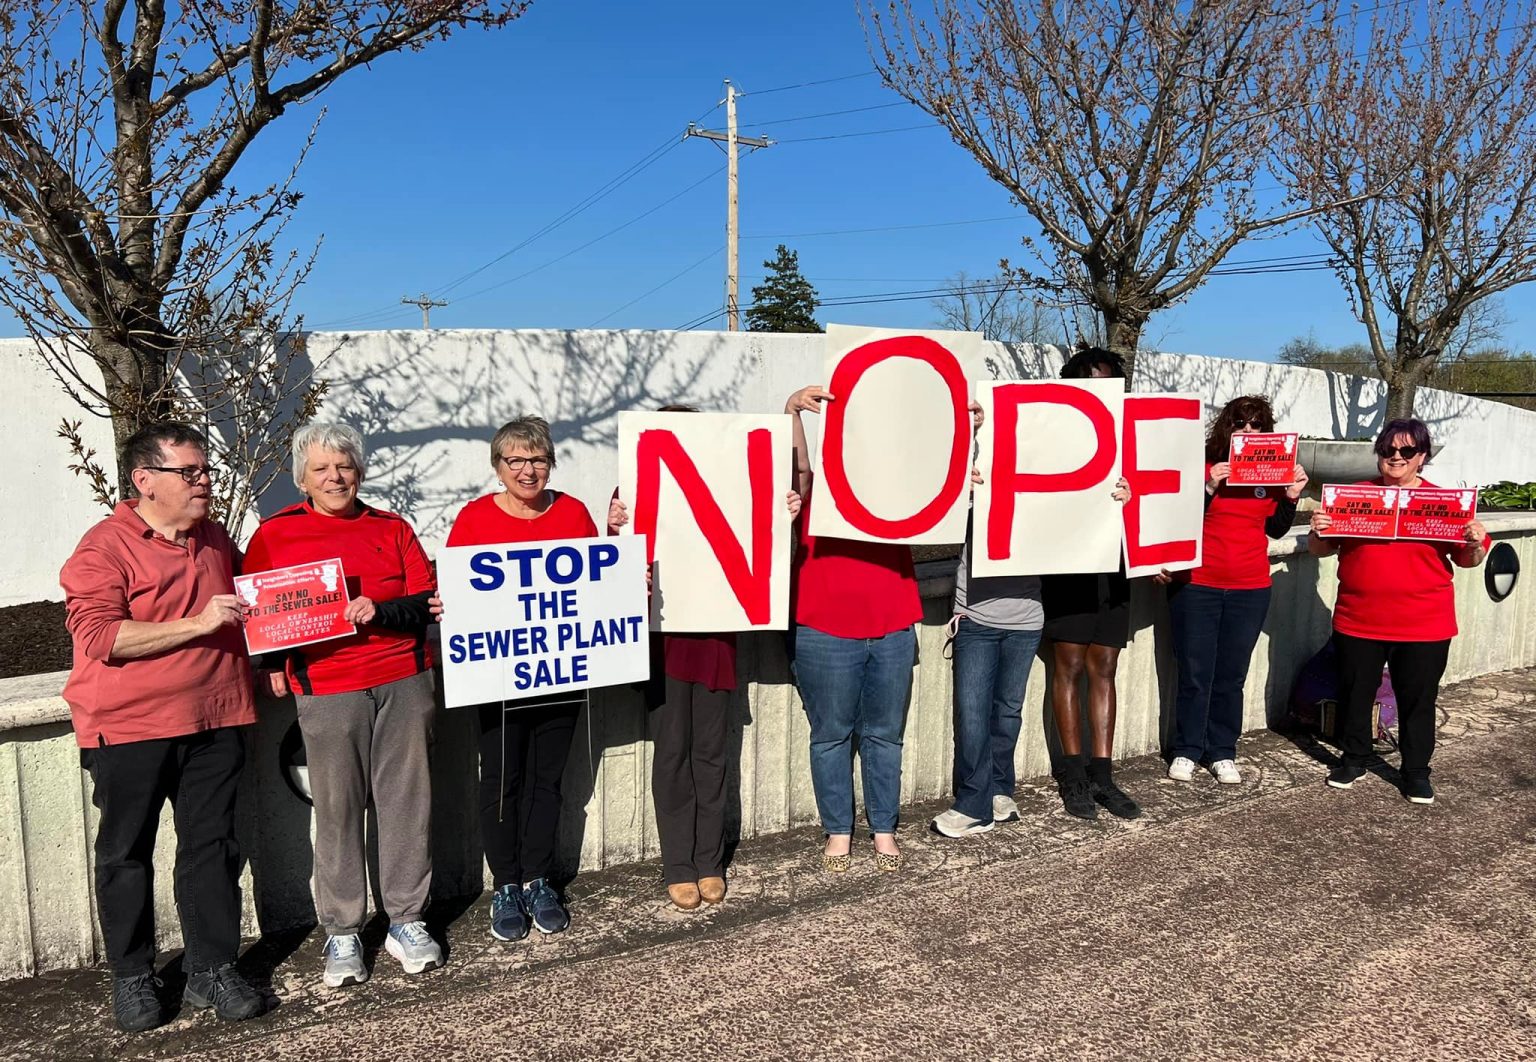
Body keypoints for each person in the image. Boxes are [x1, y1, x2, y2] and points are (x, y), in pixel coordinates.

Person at [59, 423, 267, 1032]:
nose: (206, 482)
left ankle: (212, 969)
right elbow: (100, 636)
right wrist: (198, 624)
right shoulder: (103, 547)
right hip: (129, 728)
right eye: (192, 473)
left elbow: (265, 600)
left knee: (214, 848)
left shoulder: (214, 538)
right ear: (144, 481)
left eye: (206, 471)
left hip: (217, 717)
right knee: (126, 854)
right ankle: (132, 977)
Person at [243, 423, 440, 988]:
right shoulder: (276, 535)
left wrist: (378, 610)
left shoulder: (391, 527)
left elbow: (423, 603)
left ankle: (407, 917)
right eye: (322, 469)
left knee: (408, 803)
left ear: (360, 471)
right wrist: (273, 666)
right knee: (337, 808)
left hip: (402, 678)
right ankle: (344, 929)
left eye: (345, 466)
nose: (336, 477)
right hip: (328, 687)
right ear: (302, 477)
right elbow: (262, 614)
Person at [608, 405, 802, 910]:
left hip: (716, 640)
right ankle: (678, 864)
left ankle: (709, 861)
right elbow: (611, 567)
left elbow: (765, 532)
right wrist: (613, 529)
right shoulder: (633, 483)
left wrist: (784, 510)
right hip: (664, 641)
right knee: (672, 755)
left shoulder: (734, 478)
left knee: (712, 755)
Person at [445, 415, 595, 940]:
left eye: (537, 459)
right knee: (503, 781)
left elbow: (595, 588)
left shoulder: (574, 513)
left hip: (560, 671)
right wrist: (446, 605)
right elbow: (457, 589)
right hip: (497, 676)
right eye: (516, 460)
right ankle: (505, 884)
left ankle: (537, 878)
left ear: (550, 463)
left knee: (547, 783)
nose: (527, 470)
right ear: (498, 466)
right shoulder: (474, 518)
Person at [1308, 417, 1488, 804]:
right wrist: (1318, 530)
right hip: (1359, 618)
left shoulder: (1446, 504)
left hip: (1425, 623)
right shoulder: (1352, 496)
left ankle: (1416, 772)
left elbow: (1468, 560)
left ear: (1421, 457)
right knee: (1355, 693)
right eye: (1388, 450)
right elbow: (1322, 550)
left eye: (1406, 451)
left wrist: (1475, 542)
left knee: (1417, 700)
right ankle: (1354, 758)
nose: (1395, 457)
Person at [785, 384, 922, 873]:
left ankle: (883, 828)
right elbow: (797, 472)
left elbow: (943, 475)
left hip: (892, 622)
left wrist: (966, 431)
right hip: (823, 625)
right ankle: (838, 830)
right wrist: (791, 413)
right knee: (831, 735)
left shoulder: (905, 483)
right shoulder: (814, 485)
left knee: (886, 735)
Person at [1159, 396, 1309, 784]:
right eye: (1239, 424)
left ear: (1266, 433)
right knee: (1194, 673)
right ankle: (1187, 749)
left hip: (1250, 587)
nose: (1247, 432)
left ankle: (1222, 750)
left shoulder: (1272, 476)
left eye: (1256, 425)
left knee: (1231, 675)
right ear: (1226, 429)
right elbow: (1175, 522)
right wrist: (1208, 486)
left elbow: (1275, 529)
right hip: (1197, 585)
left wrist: (1291, 497)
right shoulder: (1205, 469)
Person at [1039, 347, 1140, 820]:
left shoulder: (1134, 438)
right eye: (1086, 383)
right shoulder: (1051, 436)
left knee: (1104, 667)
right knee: (1069, 665)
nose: (1096, 391)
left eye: (1105, 383)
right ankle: (1073, 776)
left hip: (1114, 568)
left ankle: (1103, 777)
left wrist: (1133, 497)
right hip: (1068, 564)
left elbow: (1162, 499)